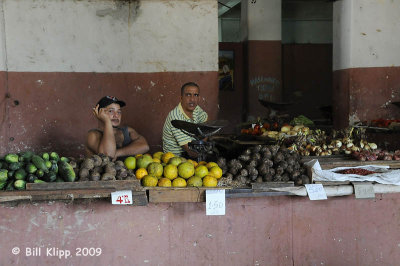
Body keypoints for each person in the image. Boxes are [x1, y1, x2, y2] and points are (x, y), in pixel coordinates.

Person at [86, 96, 149, 160]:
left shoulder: (128, 131)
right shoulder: (93, 135)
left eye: (119, 112)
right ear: (99, 113)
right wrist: (107, 121)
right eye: (111, 111)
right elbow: (108, 156)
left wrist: (117, 153)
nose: (116, 115)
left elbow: (145, 146)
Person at [162, 82, 208, 158]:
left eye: (195, 95)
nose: (192, 99)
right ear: (181, 98)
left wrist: (202, 141)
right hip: (175, 161)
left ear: (199, 98)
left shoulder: (196, 108)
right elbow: (191, 152)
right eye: (188, 95)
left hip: (192, 153)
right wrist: (203, 143)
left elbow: (206, 122)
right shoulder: (176, 117)